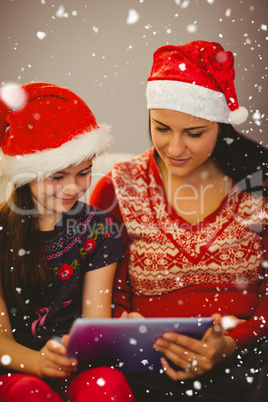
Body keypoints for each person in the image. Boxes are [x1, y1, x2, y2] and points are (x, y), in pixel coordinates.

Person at [90, 41, 268, 401]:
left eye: (194, 133)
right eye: (162, 128)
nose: (174, 149)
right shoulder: (119, 187)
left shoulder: (259, 184)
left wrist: (233, 343)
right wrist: (125, 325)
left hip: (250, 359)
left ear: (220, 126)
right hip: (149, 364)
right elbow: (102, 290)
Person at [0, 82, 134, 402]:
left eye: (84, 173)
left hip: (77, 364)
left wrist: (121, 334)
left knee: (106, 386)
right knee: (28, 393)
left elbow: (94, 321)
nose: (73, 189)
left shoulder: (100, 229)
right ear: (27, 173)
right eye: (58, 176)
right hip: (15, 369)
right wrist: (36, 362)